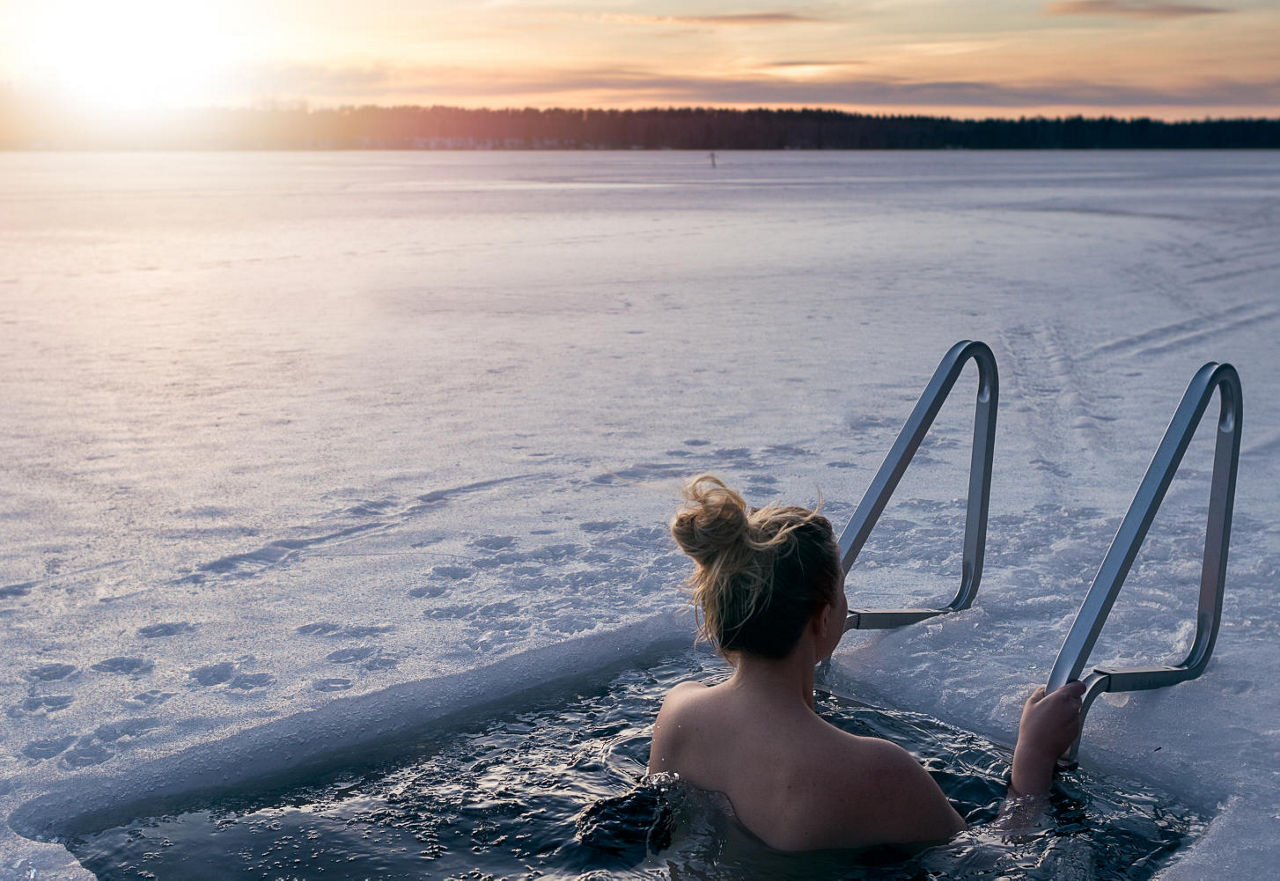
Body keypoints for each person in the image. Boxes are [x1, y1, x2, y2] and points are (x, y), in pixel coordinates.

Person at [648, 474, 1086, 852]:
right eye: (841, 590)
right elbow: (994, 858)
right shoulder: (876, 771)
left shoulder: (679, 711)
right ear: (823, 618)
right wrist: (1033, 757)